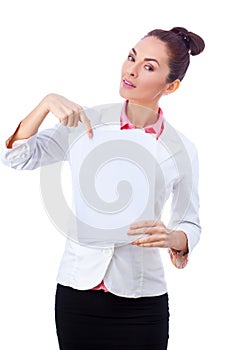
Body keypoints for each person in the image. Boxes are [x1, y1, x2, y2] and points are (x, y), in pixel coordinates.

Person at [1, 26, 205, 349]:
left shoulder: (181, 148)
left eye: (149, 67)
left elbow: (190, 223)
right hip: (77, 298)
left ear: (172, 85)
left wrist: (172, 237)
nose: (131, 70)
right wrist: (45, 103)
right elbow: (15, 157)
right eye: (131, 58)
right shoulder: (85, 123)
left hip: (143, 301)